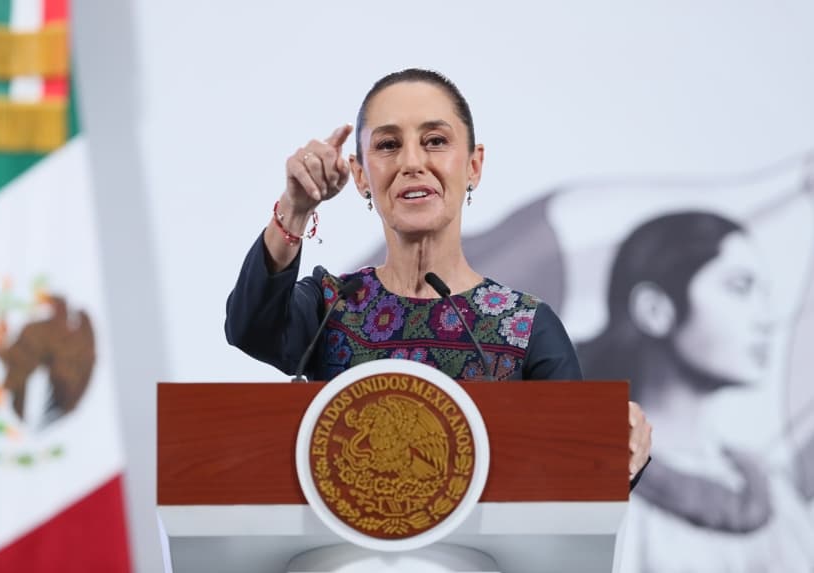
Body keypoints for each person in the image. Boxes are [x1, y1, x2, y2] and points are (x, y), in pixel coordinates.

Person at [224, 68, 651, 481]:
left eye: (434, 140)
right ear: (360, 175)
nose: (412, 162)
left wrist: (618, 453)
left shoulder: (526, 328)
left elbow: (572, 476)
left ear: (473, 165)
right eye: (388, 144)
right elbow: (251, 327)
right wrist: (296, 209)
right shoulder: (331, 306)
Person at [577, 211, 814, 572]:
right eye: (740, 287)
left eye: (764, 294)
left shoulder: (773, 493)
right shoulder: (592, 489)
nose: (766, 318)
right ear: (655, 309)